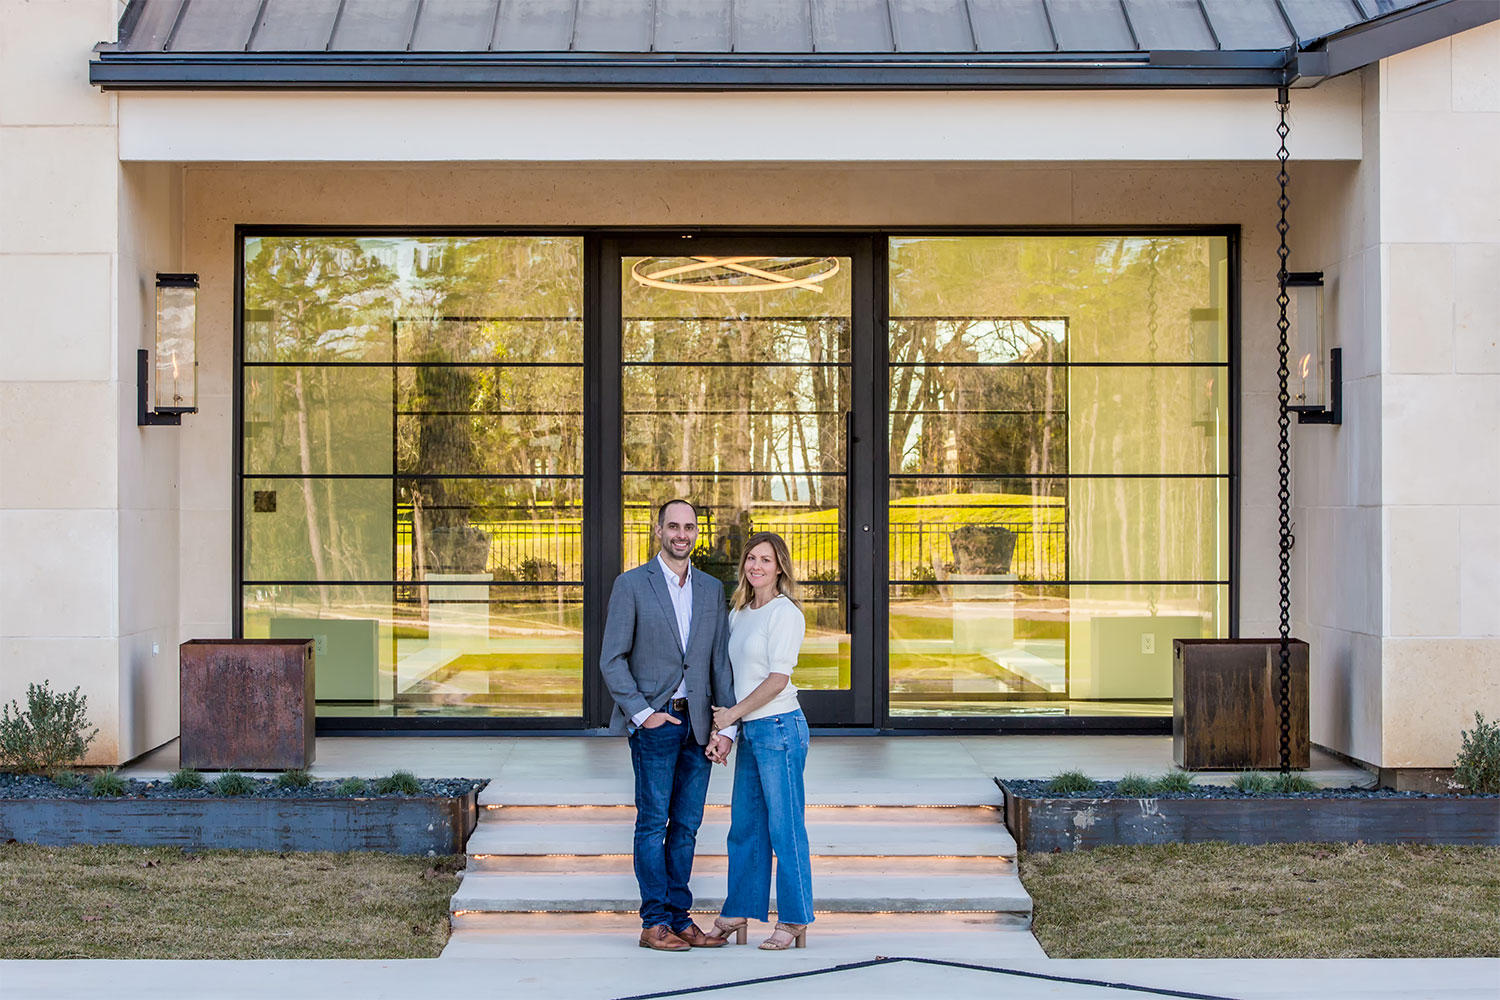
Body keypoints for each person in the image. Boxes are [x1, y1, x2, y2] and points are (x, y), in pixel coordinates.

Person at [599, 499, 738, 952]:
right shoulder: (631, 585)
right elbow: (612, 659)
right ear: (658, 530)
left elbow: (719, 663)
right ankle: (653, 921)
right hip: (656, 724)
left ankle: (679, 919)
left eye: (690, 527)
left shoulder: (712, 589)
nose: (682, 534)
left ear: (697, 532)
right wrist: (644, 715)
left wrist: (726, 727)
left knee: (687, 827)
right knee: (652, 823)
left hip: (699, 727)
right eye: (673, 526)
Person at [704, 532, 813, 950]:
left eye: (766, 560)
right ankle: (738, 910)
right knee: (745, 828)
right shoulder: (740, 611)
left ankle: (795, 918)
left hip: (781, 729)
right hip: (750, 731)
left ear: (780, 567)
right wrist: (729, 732)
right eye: (751, 558)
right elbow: (733, 680)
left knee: (785, 829)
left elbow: (777, 679)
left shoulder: (785, 614)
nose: (756, 566)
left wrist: (730, 716)